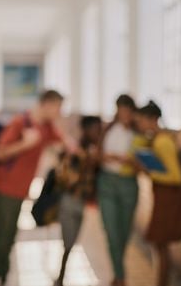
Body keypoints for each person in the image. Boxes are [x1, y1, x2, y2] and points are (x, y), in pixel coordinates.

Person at [0, 90, 72, 286]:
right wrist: (25, 143)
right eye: (58, 107)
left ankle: (1, 272)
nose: (60, 112)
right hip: (6, 186)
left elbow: (64, 142)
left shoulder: (46, 126)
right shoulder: (19, 123)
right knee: (3, 233)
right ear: (47, 104)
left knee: (9, 232)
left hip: (21, 188)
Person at [134, 101, 181, 286]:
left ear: (152, 120)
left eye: (141, 120)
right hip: (163, 197)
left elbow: (176, 177)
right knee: (160, 245)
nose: (139, 124)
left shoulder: (163, 141)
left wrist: (149, 172)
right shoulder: (158, 139)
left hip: (169, 199)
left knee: (161, 244)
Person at [97, 94, 143, 286]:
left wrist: (130, 161)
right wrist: (105, 157)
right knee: (111, 230)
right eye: (120, 110)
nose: (124, 114)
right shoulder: (108, 130)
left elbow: (145, 165)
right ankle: (121, 277)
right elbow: (98, 155)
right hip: (107, 182)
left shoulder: (138, 135)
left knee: (124, 232)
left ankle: (117, 273)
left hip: (128, 183)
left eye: (127, 111)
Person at [53, 116, 102, 286]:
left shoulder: (94, 150)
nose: (98, 133)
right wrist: (88, 160)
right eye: (95, 129)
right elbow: (69, 178)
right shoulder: (76, 152)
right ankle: (60, 278)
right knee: (68, 242)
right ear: (86, 130)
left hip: (80, 203)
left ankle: (61, 276)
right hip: (70, 201)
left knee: (72, 242)